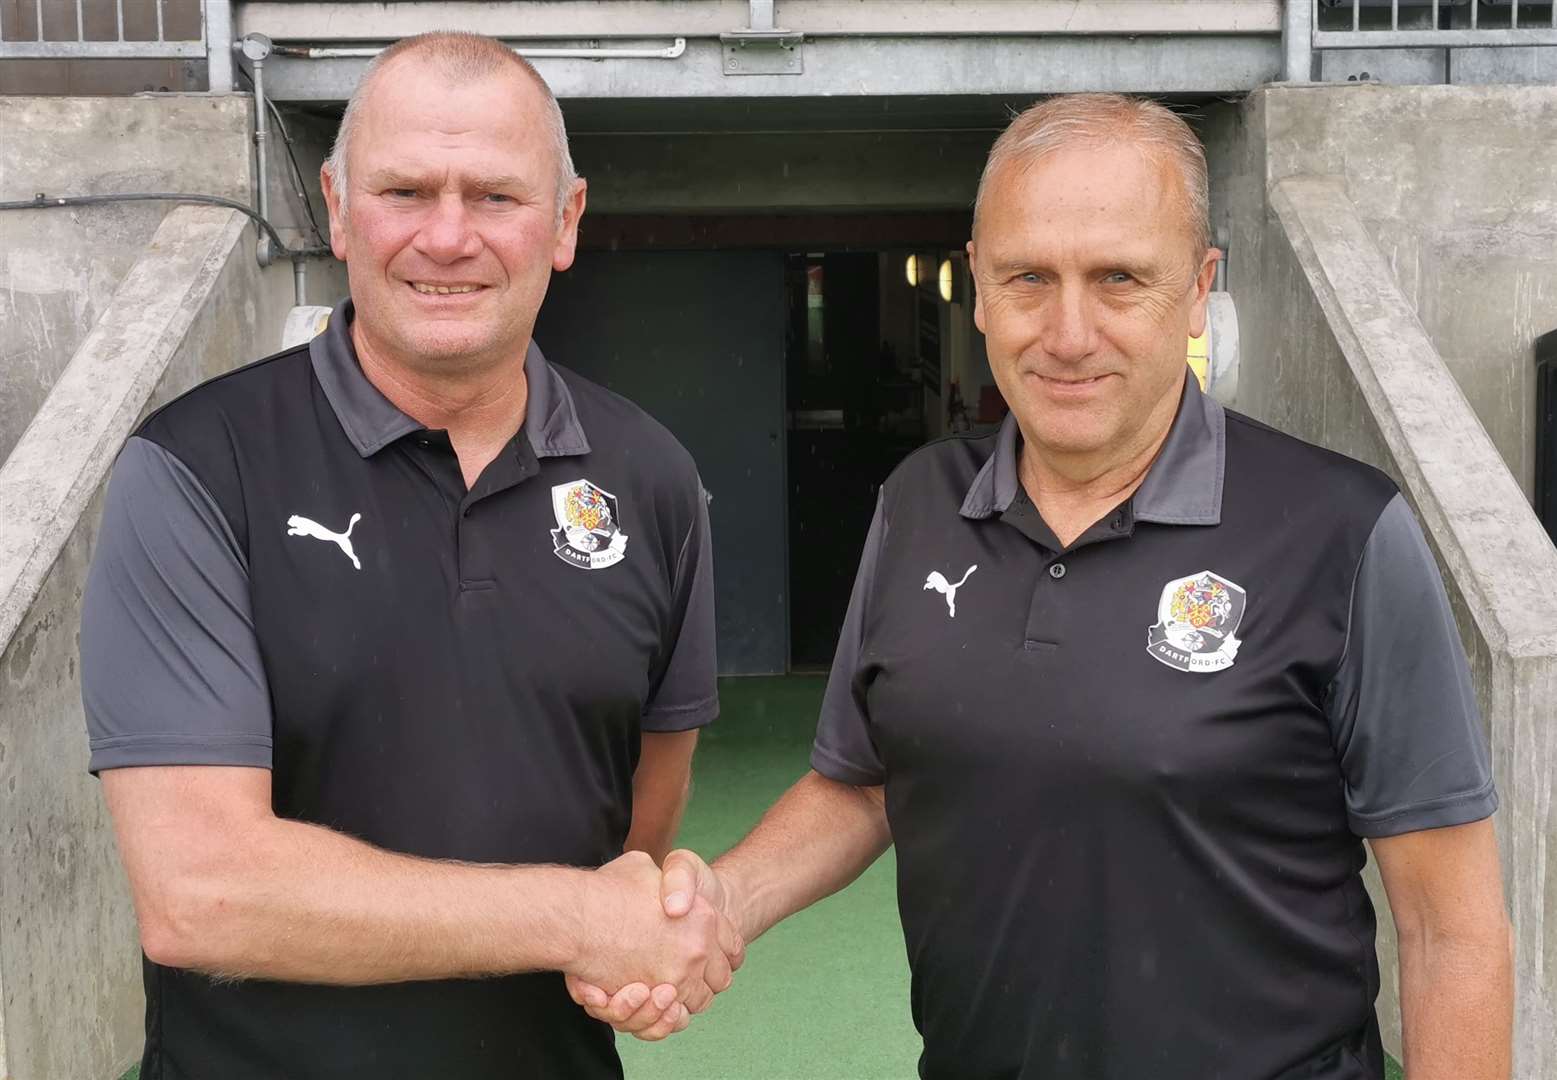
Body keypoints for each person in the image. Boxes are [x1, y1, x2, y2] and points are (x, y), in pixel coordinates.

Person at [572, 94, 1514, 1080]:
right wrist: (718, 904)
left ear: (1198, 290)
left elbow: (1451, 930)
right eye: (1030, 278)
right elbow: (868, 784)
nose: (1069, 334)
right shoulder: (917, 502)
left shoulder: (1344, 532)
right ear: (977, 286)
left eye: (1119, 280)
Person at [80, 31, 741, 1079]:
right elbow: (200, 891)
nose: (447, 236)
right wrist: (574, 916)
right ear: (339, 210)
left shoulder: (652, 478)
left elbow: (643, 817)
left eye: (495, 198)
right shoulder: (195, 471)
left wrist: (635, 932)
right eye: (405, 191)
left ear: (565, 222)